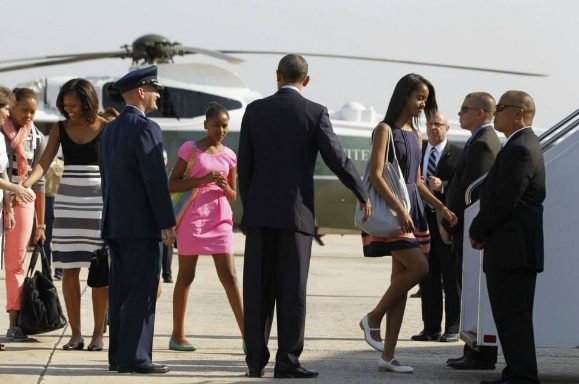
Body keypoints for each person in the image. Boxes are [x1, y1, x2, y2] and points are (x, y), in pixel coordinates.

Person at [238, 54, 370, 379]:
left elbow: (245, 168)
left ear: (277, 76)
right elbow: (338, 159)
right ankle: (287, 362)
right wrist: (363, 193)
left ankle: (255, 362)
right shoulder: (314, 112)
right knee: (292, 291)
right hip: (296, 219)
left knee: (257, 291)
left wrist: (250, 208)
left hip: (259, 218)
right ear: (306, 80)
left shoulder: (254, 111)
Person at [358, 74, 457, 374]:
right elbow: (376, 174)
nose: (423, 103)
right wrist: (399, 209)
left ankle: (388, 355)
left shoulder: (416, 135)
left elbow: (416, 181)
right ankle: (372, 318)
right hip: (395, 211)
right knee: (421, 269)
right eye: (419, 97)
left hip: (413, 210)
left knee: (400, 284)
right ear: (403, 96)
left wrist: (440, 206)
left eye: (426, 98)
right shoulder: (384, 130)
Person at [99, 65, 175, 374]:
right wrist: (167, 223)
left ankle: (119, 355)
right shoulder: (147, 129)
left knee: (120, 291)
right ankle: (136, 357)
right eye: (155, 90)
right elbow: (154, 181)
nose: (158, 95)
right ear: (142, 92)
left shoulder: (110, 129)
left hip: (115, 222)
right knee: (142, 292)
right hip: (142, 225)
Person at [23, 78, 109, 351]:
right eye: (65, 105)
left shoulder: (107, 128)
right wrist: (23, 185)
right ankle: (76, 335)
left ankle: (98, 335)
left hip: (98, 205)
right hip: (68, 205)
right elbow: (44, 162)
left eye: (73, 104)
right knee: (69, 271)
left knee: (99, 273)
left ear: (87, 101)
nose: (68, 109)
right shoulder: (60, 129)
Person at [470, 91, 544, 384]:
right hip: (511, 248)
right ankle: (517, 372)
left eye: (501, 108)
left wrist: (477, 230)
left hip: (512, 250)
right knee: (511, 317)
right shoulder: (519, 144)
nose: (495, 113)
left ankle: (522, 376)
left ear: (520, 114)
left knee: (513, 317)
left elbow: (504, 199)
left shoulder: (522, 149)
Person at [169, 102, 244, 352]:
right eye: (216, 125)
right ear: (205, 125)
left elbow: (233, 195)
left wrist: (224, 186)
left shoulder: (230, 155)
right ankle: (177, 335)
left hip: (221, 219)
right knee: (186, 276)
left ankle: (248, 336)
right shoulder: (190, 149)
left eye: (224, 126)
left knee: (230, 277)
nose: (220, 130)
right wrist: (202, 180)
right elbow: (171, 184)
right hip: (193, 219)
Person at [441, 92, 501, 370]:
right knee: (467, 290)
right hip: (464, 228)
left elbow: (470, 194)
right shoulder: (478, 141)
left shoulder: (483, 144)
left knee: (473, 291)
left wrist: (449, 223)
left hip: (467, 229)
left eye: (464, 109)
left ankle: (481, 354)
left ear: (479, 112)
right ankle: (473, 350)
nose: (459, 114)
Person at [1, 88, 47, 342]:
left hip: (24, 203)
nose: (29, 116)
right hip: (3, 198)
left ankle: (14, 322)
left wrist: (41, 223)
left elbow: (40, 184)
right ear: (11, 107)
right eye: (24, 111)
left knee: (16, 263)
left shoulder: (38, 138)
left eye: (33, 111)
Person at [411, 111, 461, 343]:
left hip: (445, 222)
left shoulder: (458, 155)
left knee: (450, 278)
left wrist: (444, 186)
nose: (433, 128)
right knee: (427, 276)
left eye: (438, 124)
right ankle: (430, 328)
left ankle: (452, 326)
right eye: (430, 124)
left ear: (447, 128)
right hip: (422, 221)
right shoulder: (417, 151)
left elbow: (462, 188)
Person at [43, 154, 64, 280]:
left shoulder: (62, 165)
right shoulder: (43, 164)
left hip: (58, 199)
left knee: (58, 239)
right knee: (46, 238)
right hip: (45, 199)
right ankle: (46, 268)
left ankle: (59, 270)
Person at [161, 149, 173, 284]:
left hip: (169, 214)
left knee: (167, 246)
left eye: (163, 159)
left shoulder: (171, 174)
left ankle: (167, 274)